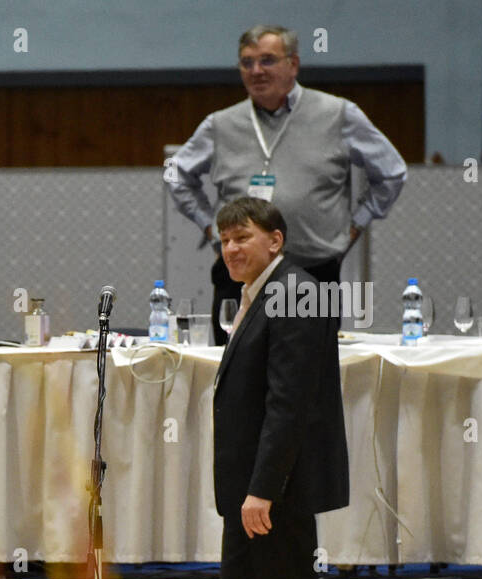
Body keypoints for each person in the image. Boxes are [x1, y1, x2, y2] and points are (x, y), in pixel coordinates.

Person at [164, 197, 348, 579]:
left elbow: (289, 404)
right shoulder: (257, 293)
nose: (232, 249)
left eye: (243, 237)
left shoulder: (296, 291)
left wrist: (264, 488)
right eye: (224, 240)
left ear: (276, 239)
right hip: (249, 488)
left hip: (277, 490)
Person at [167, 24, 407, 344]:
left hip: (312, 272)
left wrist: (354, 227)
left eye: (267, 60)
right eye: (246, 62)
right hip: (240, 275)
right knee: (237, 377)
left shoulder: (337, 114)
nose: (256, 71)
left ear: (292, 64)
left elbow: (392, 172)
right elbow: (175, 173)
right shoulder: (221, 124)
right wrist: (210, 227)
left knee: (306, 377)